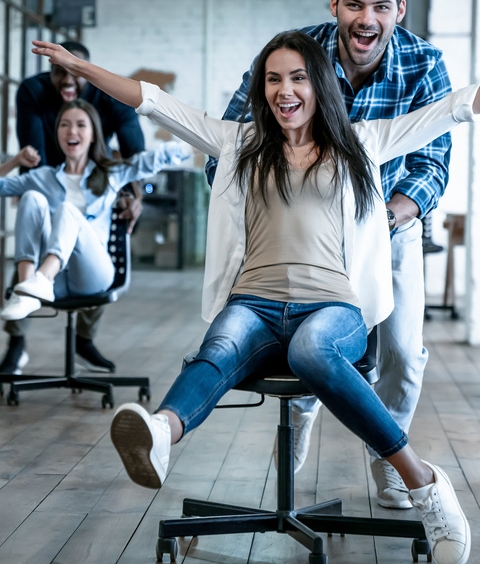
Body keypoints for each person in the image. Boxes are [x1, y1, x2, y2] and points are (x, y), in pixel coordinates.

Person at [30, 32, 476, 564]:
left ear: (320, 84)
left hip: (332, 308)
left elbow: (451, 110)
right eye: (272, 79)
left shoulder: (361, 141)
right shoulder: (239, 142)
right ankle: (160, 433)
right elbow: (151, 100)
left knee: (312, 351)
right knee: (220, 343)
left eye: (296, 78)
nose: (284, 91)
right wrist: (80, 66)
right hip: (256, 303)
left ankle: (423, 482)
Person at [206, 0, 453, 510]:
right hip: (301, 223)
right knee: (306, 340)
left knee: (402, 352)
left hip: (390, 223)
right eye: (354, 4)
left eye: (381, 7)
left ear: (400, 10)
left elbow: (431, 166)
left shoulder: (424, 64)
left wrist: (383, 219)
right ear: (335, 4)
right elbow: (227, 144)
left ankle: (389, 462)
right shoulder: (295, 55)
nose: (367, 19)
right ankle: (298, 423)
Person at [0, 40, 146, 376]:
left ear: (88, 73)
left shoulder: (110, 91)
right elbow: (33, 155)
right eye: (58, 73)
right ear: (48, 73)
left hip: (96, 172)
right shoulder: (32, 92)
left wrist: (133, 195)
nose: (67, 81)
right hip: (53, 172)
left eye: (74, 74)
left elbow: (133, 151)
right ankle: (16, 342)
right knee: (31, 236)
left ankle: (84, 339)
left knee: (100, 241)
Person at [0, 99, 187, 325]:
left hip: (93, 273)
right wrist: (16, 160)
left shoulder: (111, 173)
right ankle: (27, 290)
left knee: (68, 210)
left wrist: (192, 145)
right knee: (31, 197)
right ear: (57, 134)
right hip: (55, 284)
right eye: (64, 125)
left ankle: (41, 279)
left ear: (93, 135)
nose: (72, 131)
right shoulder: (42, 177)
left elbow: (153, 160)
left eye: (81, 125)